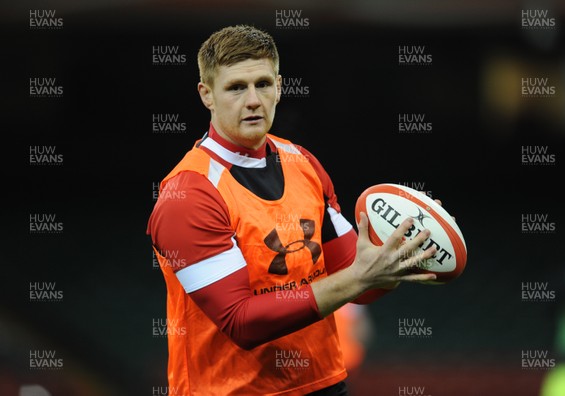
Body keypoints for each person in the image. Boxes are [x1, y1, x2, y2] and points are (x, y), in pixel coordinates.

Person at [146, 24, 438, 396]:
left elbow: (363, 283)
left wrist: (404, 249)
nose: (253, 100)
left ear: (280, 87)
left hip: (324, 384)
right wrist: (360, 278)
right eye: (236, 87)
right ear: (207, 95)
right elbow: (242, 322)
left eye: (263, 84)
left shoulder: (303, 163)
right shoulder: (188, 194)